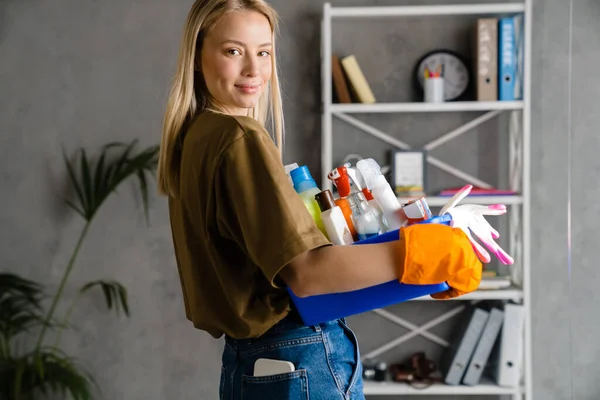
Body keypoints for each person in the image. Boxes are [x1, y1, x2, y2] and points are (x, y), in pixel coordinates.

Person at [157, 1, 483, 399]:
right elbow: (308, 274)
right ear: (196, 56)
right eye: (232, 51)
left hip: (249, 362)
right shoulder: (239, 136)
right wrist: (421, 254)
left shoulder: (196, 138)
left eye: (263, 52)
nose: (254, 70)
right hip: (298, 359)